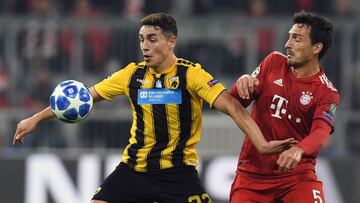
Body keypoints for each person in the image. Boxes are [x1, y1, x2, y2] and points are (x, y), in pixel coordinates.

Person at [13, 13, 295, 203]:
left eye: (152, 39)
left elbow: (234, 108)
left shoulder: (191, 75)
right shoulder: (131, 75)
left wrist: (261, 143)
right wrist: (37, 118)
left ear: (171, 42)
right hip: (134, 169)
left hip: (178, 173)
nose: (144, 46)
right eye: (141, 39)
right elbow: (85, 97)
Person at [229, 11, 340, 203]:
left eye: (296, 39)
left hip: (297, 177)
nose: (287, 44)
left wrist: (298, 149)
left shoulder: (326, 92)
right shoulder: (273, 62)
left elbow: (320, 132)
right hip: (252, 175)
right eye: (289, 37)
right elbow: (235, 102)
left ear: (316, 47)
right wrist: (242, 82)